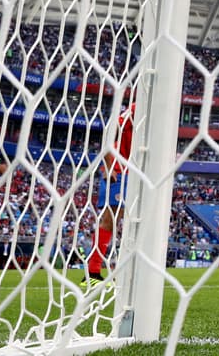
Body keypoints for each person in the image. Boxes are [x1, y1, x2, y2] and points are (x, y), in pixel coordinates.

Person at [85, 92, 133, 289]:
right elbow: (110, 133)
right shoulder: (136, 110)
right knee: (111, 218)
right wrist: (110, 166)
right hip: (120, 170)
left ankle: (115, 270)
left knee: (121, 220)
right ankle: (94, 271)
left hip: (132, 171)